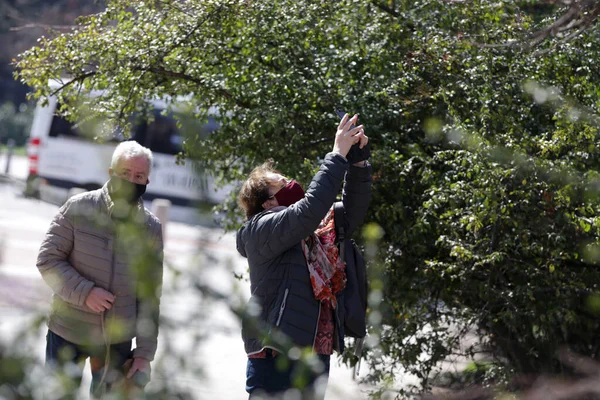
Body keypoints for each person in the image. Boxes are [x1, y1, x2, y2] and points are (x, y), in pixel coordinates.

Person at [237, 114, 372, 399]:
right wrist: (337, 154)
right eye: (281, 182)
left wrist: (358, 163)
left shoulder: (314, 230)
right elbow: (309, 210)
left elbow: (351, 213)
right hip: (276, 354)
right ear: (268, 202)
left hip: (315, 353)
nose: (291, 183)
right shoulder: (261, 229)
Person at [36, 140, 164, 396]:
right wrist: (86, 293)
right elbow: (48, 260)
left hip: (116, 342)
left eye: (139, 175)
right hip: (67, 330)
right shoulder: (78, 207)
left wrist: (144, 354)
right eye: (125, 173)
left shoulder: (151, 227)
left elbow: (150, 295)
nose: (131, 180)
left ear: (147, 181)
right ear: (111, 173)